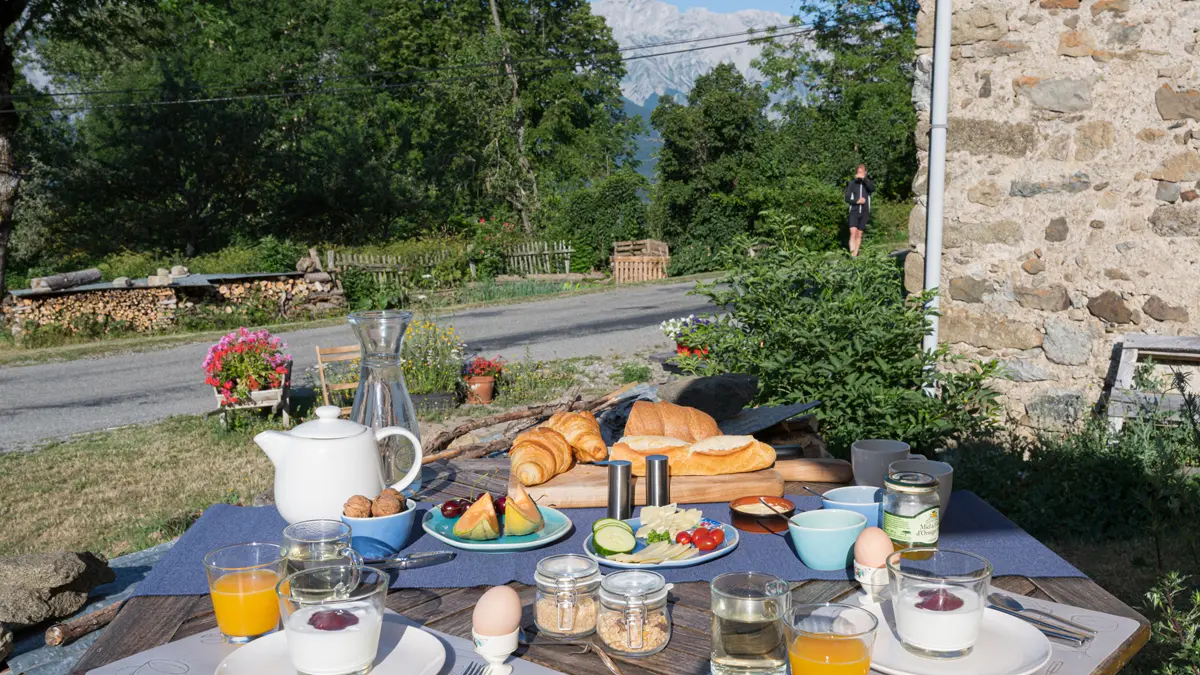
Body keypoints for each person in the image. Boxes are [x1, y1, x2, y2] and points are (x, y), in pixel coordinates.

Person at [844, 164, 874, 257]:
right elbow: (847, 198)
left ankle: (856, 254)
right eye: (858, 172)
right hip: (854, 210)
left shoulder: (868, 183)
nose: (860, 174)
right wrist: (857, 201)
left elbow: (872, 189)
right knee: (853, 232)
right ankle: (852, 255)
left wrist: (864, 179)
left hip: (865, 211)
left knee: (859, 234)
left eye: (862, 172)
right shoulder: (852, 183)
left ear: (865, 173)